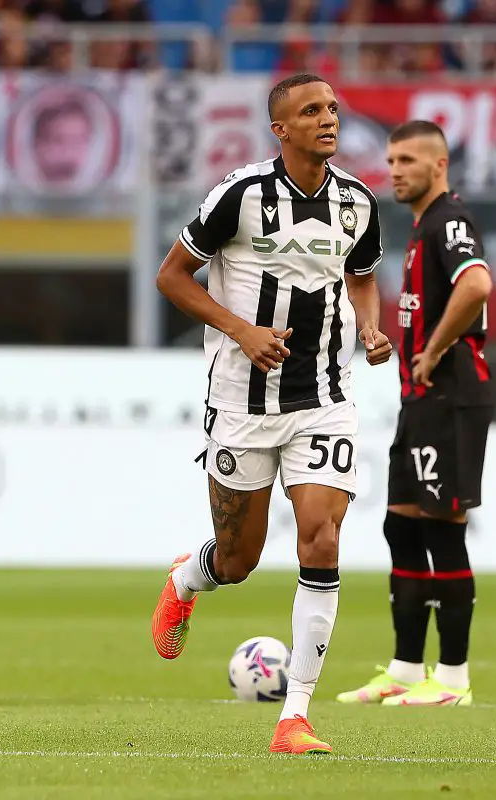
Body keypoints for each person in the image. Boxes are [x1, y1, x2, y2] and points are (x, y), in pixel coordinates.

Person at [151, 73, 392, 755]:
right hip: (240, 400)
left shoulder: (356, 202)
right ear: (279, 129)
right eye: (310, 111)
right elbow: (171, 276)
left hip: (324, 397)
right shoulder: (240, 195)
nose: (328, 119)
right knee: (239, 557)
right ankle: (188, 576)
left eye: (333, 109)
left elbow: (363, 273)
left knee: (320, 537)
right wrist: (241, 330)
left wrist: (369, 328)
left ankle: (295, 717)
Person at [336, 120, 493, 707]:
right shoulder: (424, 226)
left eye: (407, 160)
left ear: (439, 165)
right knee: (401, 524)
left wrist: (433, 348)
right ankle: (405, 669)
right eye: (392, 160)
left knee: (441, 530)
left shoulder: (448, 221)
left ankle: (452, 679)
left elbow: (476, 285)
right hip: (421, 399)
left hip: (452, 396)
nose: (395, 170)